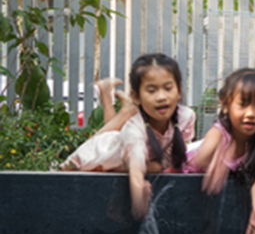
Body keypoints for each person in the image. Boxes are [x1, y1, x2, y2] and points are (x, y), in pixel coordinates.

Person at [61, 53, 195, 218]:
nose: (161, 97)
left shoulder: (186, 117)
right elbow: (135, 158)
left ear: (179, 91)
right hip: (94, 159)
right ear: (136, 97)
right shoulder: (134, 129)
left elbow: (175, 154)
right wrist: (137, 184)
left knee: (115, 137)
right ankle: (122, 107)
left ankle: (117, 103)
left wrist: (156, 167)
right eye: (151, 91)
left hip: (119, 152)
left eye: (168, 88)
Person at [189, 67, 255, 234]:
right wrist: (222, 151)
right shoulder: (220, 131)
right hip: (185, 175)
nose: (251, 113)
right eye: (242, 105)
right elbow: (200, 159)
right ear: (226, 104)